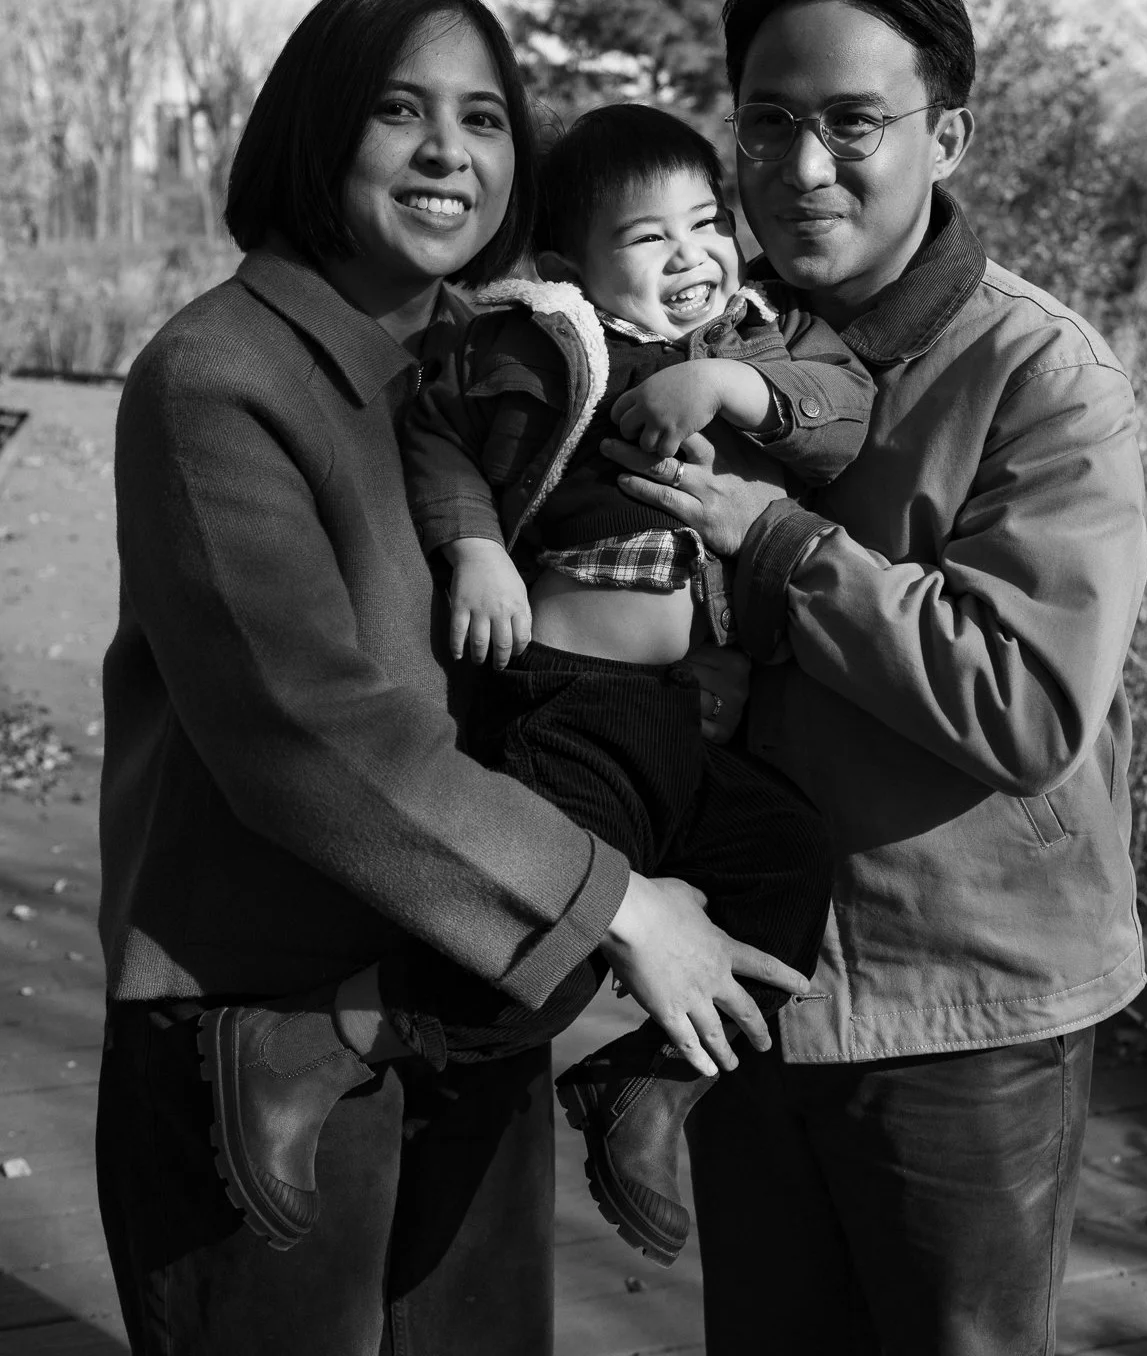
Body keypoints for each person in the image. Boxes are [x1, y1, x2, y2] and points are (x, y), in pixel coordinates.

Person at [95, 0, 809, 1356]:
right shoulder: (219, 379)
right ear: (315, 133)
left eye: (484, 118)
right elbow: (307, 729)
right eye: (398, 112)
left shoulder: (507, 364)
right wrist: (622, 907)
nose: (450, 152)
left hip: (482, 999)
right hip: (271, 1023)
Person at [201, 102, 869, 1270]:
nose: (692, 256)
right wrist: (473, 548)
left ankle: (650, 1088)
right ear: (576, 267)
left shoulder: (752, 343)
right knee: (538, 931)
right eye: (648, 238)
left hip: (678, 715)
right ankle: (310, 1042)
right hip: (569, 697)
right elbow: (436, 436)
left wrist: (731, 391)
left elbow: (841, 407)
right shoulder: (551, 345)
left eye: (707, 225)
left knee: (787, 857)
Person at [603, 0, 1147, 1356]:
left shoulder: (1040, 372)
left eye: (855, 124)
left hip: (966, 1008)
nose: (802, 167)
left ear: (947, 136)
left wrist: (778, 545)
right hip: (751, 983)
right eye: (769, 123)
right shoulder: (708, 341)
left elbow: (1027, 702)